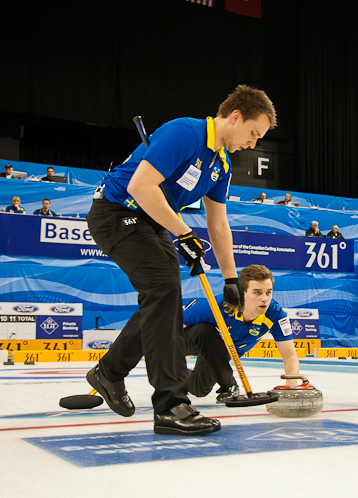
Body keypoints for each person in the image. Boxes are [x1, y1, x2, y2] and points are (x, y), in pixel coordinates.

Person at [85, 84, 276, 436]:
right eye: (252, 133)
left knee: (164, 296)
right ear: (234, 117)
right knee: (164, 287)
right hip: (116, 212)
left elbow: (218, 224)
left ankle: (109, 373)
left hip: (153, 219)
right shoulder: (184, 132)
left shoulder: (221, 165)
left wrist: (231, 280)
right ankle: (171, 405)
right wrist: (183, 232)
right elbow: (140, 186)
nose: (253, 143)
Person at [182, 264, 299, 402]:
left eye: (268, 292)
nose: (264, 298)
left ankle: (174, 375)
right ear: (242, 292)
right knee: (204, 330)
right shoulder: (218, 306)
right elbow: (174, 326)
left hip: (221, 352)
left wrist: (292, 385)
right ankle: (229, 385)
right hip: (191, 338)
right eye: (257, 292)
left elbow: (289, 354)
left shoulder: (276, 315)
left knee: (199, 389)